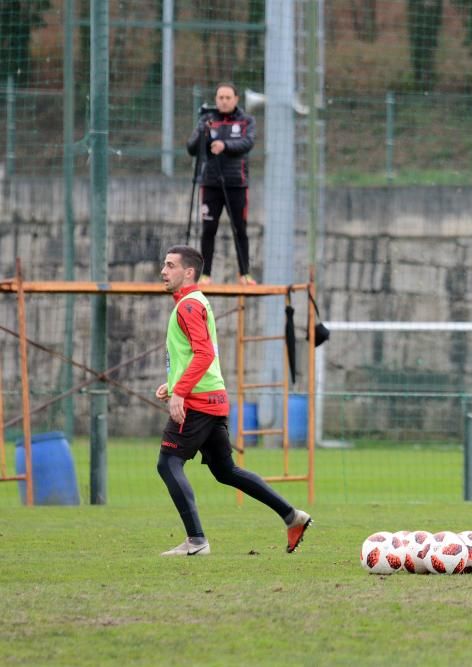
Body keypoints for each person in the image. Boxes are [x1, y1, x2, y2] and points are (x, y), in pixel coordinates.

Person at [156, 245, 311, 555]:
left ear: (188, 272)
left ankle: (196, 541)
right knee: (225, 471)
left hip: (198, 401)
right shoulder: (195, 303)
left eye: (170, 265)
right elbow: (196, 356)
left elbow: (203, 353)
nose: (163, 270)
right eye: (164, 264)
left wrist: (182, 392)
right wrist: (172, 384)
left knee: (169, 462)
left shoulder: (187, 306)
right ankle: (292, 516)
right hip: (212, 397)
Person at [186, 82, 257, 285]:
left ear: (236, 99)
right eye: (220, 98)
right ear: (216, 99)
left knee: (239, 229)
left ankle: (245, 274)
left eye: (228, 98)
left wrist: (224, 145)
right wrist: (202, 132)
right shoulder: (207, 120)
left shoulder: (246, 121)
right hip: (210, 183)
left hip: (237, 184)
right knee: (209, 229)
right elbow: (191, 148)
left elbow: (247, 143)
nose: (224, 101)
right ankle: (205, 274)